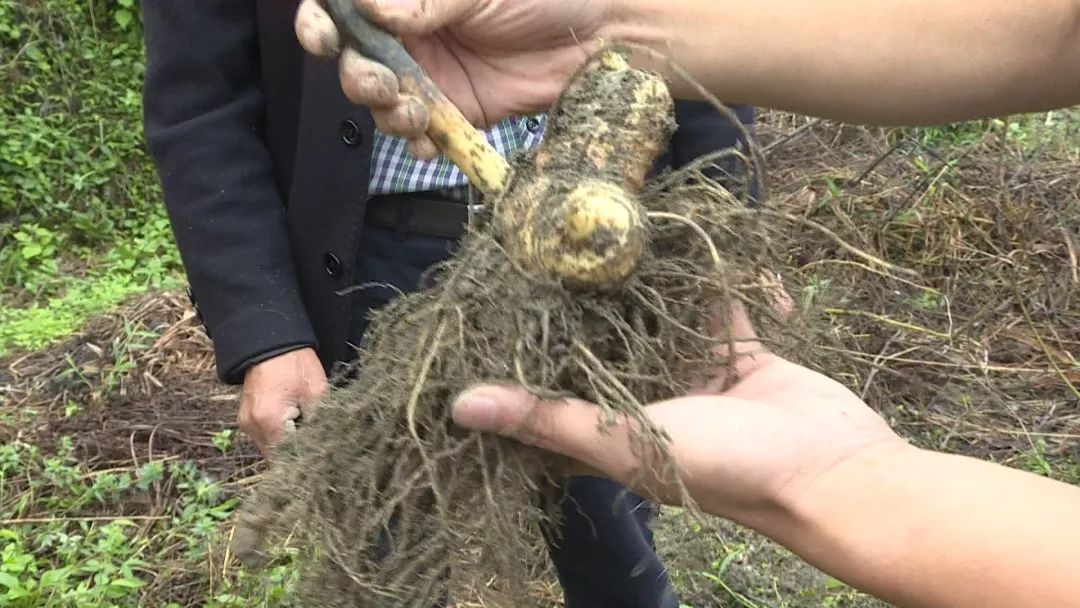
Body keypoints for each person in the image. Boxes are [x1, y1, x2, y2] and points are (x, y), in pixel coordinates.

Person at [293, 1, 1080, 607]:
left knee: (606, 526)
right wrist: (614, 25)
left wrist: (842, 481)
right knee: (388, 514)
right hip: (378, 253)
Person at [139, 3, 760, 607]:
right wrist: (267, 332)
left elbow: (693, 28)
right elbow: (200, 105)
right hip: (368, 269)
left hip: (587, 243)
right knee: (383, 560)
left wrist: (727, 249)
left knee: (614, 538)